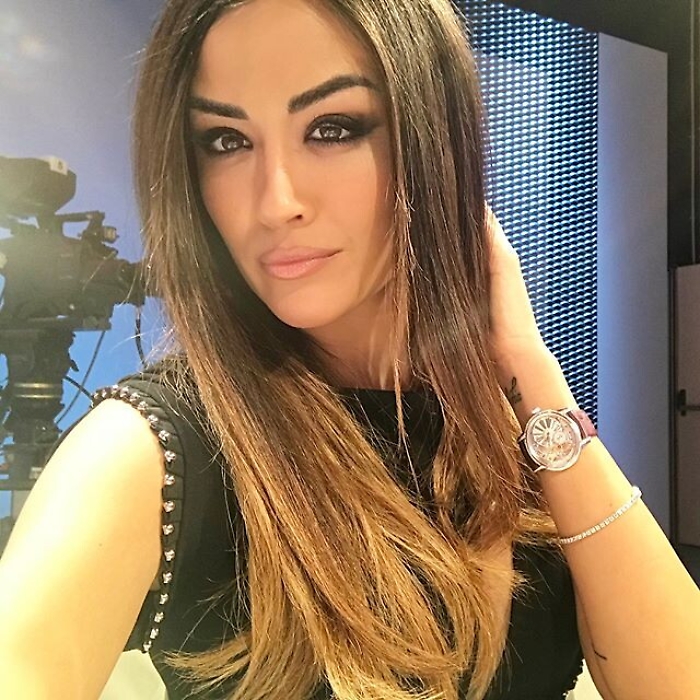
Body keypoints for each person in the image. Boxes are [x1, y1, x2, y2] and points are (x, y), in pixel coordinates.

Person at [0, 0, 698, 698]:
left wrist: (530, 368)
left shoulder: (512, 431)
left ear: (432, 146)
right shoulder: (154, 451)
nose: (275, 202)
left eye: (331, 129)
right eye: (226, 140)